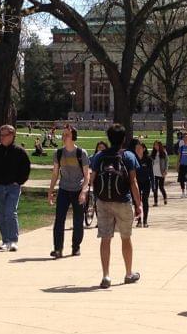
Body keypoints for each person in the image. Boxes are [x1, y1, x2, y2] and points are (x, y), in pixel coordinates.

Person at [90, 123, 142, 289]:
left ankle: (106, 275)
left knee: (105, 238)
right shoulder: (128, 156)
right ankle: (128, 273)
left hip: (103, 201)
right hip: (123, 200)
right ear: (124, 139)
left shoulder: (100, 156)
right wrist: (138, 204)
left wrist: (91, 196)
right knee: (125, 238)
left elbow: (93, 179)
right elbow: (133, 181)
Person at [0, 125, 31, 252]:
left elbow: (26, 169)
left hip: (13, 187)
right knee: (1, 214)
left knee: (10, 212)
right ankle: (5, 240)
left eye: (4, 135)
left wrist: (19, 182)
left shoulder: (19, 152)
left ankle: (13, 240)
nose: (2, 137)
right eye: (1, 135)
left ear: (12, 136)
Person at [48, 124, 90, 258]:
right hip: (64, 189)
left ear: (73, 137)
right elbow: (55, 173)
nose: (63, 136)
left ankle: (75, 247)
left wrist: (84, 191)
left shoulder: (81, 153)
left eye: (66, 134)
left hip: (78, 189)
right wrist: (50, 191)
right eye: (63, 134)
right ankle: (58, 249)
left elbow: (87, 174)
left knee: (78, 220)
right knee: (59, 220)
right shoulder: (58, 153)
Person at [131, 141, 152, 228]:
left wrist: (154, 185)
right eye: (137, 149)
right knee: (137, 201)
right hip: (137, 182)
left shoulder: (148, 159)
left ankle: (145, 220)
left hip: (146, 182)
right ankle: (139, 220)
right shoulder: (133, 159)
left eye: (140, 148)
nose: (138, 150)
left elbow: (151, 173)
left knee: (145, 200)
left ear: (144, 149)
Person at [150, 140, 168, 206]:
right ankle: (155, 202)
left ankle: (165, 198)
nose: (155, 146)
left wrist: (165, 170)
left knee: (161, 187)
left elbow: (166, 162)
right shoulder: (153, 153)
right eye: (154, 145)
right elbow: (150, 161)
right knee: (155, 188)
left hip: (161, 172)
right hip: (154, 172)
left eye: (157, 145)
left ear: (160, 145)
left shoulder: (163, 152)